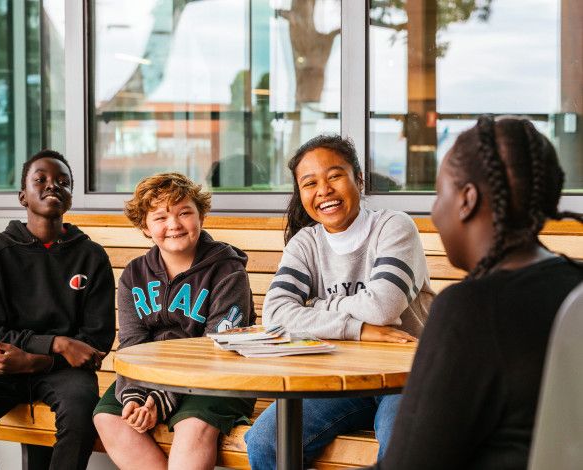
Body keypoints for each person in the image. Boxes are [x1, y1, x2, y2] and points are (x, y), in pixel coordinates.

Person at [367, 116, 583, 469]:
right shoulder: (575, 284)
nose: (436, 213)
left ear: (467, 199)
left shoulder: (472, 309)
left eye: (440, 195)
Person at [245, 134, 434, 469]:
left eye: (334, 176)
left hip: (406, 377)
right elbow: (274, 316)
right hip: (337, 379)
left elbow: (382, 308)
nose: (324, 190)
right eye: (310, 182)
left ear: (358, 180)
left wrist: (313, 306)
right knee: (266, 442)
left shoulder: (393, 227)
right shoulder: (305, 243)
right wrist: (358, 328)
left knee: (402, 449)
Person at [0, 150, 116, 470]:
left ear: (71, 199)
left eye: (63, 182)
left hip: (66, 372)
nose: (53, 186)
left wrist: (38, 359)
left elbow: (96, 341)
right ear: (23, 196)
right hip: (4, 365)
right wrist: (57, 344)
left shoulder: (92, 257)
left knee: (80, 421)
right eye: (41, 180)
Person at [93, 173, 256, 470]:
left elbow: (214, 348)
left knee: (192, 426)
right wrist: (136, 397)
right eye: (160, 217)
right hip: (150, 379)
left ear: (201, 216)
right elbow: (132, 344)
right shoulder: (134, 275)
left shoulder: (227, 271)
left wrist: (160, 398)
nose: (174, 225)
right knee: (109, 417)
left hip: (218, 379)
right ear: (145, 226)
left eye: (185, 213)